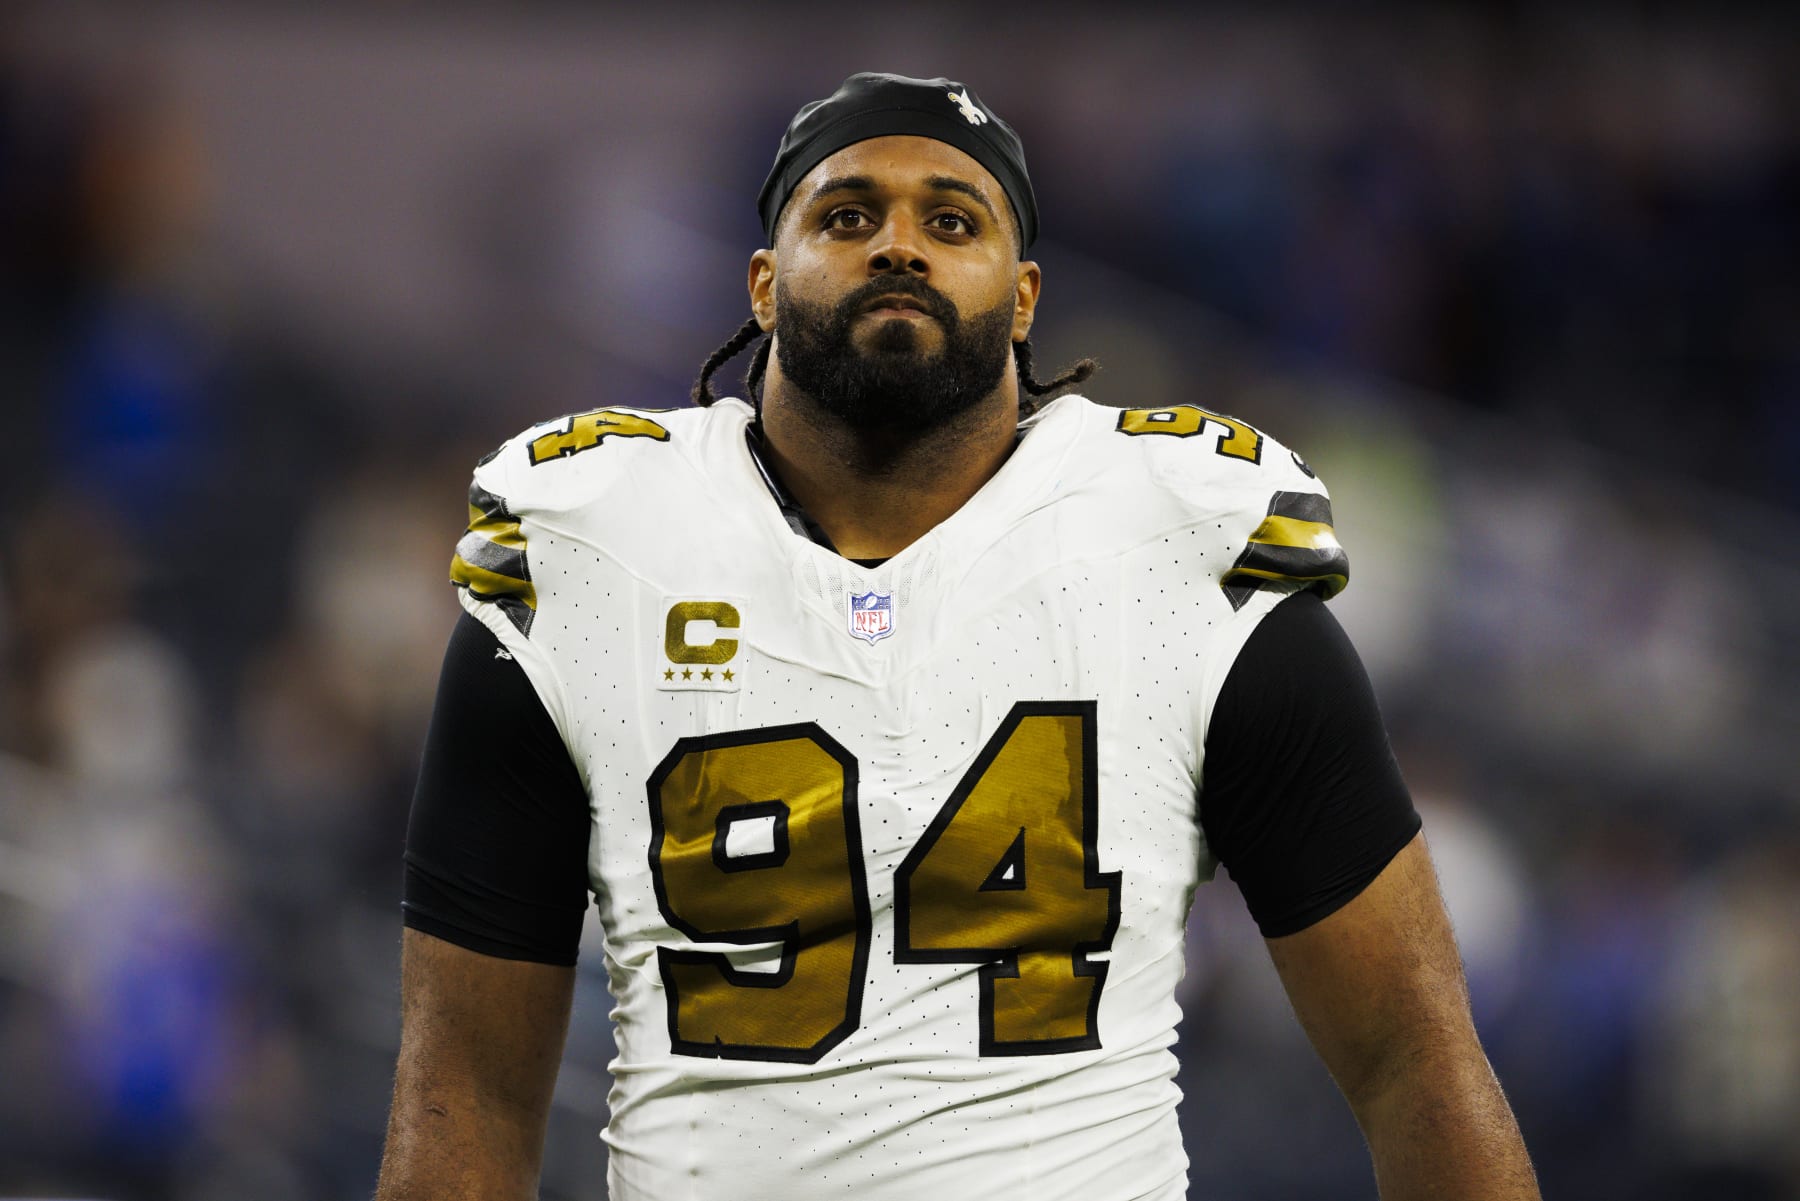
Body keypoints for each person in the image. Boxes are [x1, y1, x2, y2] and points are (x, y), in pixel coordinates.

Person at [375, 72, 1540, 1201]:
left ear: (1024, 296)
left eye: (950, 218)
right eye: (845, 215)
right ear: (765, 285)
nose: (898, 245)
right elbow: (465, 1093)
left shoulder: (1180, 544)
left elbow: (1415, 1057)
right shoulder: (596, 550)